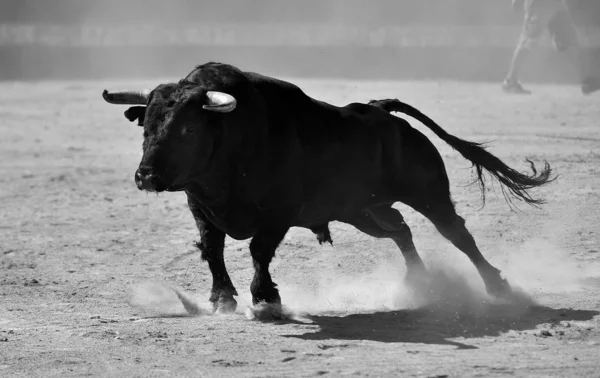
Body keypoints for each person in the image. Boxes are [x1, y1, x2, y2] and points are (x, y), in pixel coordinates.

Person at [503, 0, 600, 95]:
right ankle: (510, 81)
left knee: (568, 39)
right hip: (539, 4)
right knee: (529, 40)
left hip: (556, 4)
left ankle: (586, 79)